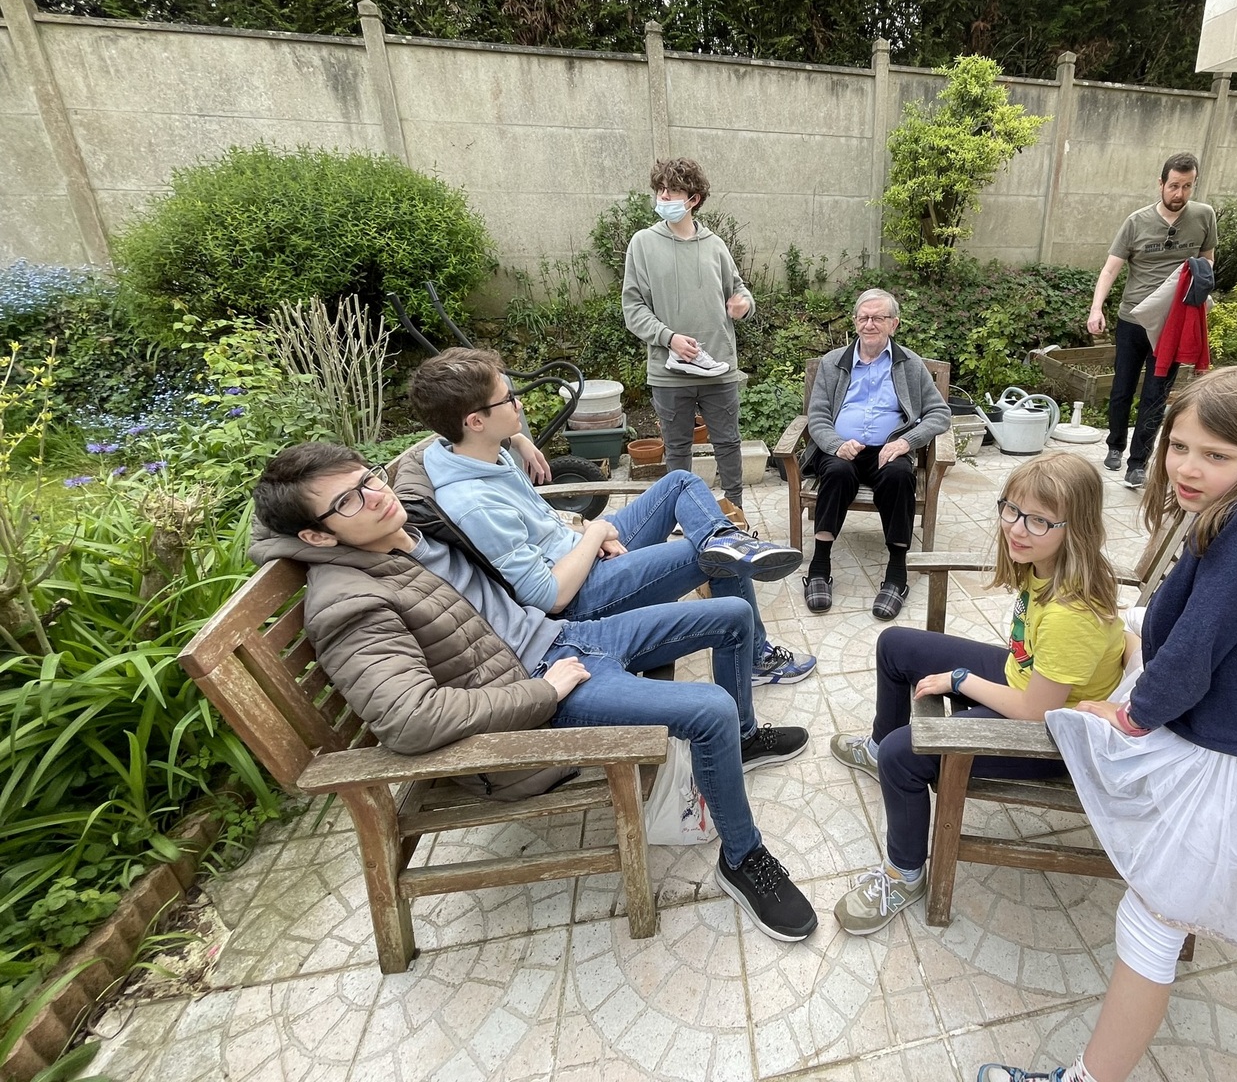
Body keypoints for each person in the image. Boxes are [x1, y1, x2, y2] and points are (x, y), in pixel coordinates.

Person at [249, 442, 819, 942]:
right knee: (709, 708)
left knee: (733, 615)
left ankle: (742, 740)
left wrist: (518, 437)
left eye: (370, 479)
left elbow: (443, 429)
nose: (374, 496)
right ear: (316, 535)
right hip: (536, 691)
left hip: (564, 636)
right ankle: (743, 858)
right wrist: (543, 692)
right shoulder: (348, 601)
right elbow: (411, 719)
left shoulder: (413, 521)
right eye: (348, 501)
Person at [1044, 365, 1237, 1082]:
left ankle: (1090, 1078)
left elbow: (1193, 653)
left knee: (1151, 917)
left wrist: (1130, 714)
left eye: (1216, 455)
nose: (1187, 468)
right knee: (1157, 908)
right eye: (1179, 446)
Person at [827, 453, 1126, 933]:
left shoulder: (1072, 613)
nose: (1017, 529)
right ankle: (877, 747)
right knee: (895, 645)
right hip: (1025, 681)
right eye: (1012, 509)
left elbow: (1035, 712)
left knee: (906, 755)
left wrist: (961, 680)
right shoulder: (1048, 563)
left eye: (1039, 521)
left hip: (1052, 737)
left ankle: (904, 875)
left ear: (1078, 528)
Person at [406, 348, 816, 685]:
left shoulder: (477, 451)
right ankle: (754, 655)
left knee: (679, 484)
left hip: (582, 552)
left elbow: (534, 510)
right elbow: (549, 597)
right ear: (476, 421)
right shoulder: (474, 503)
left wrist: (518, 441)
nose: (520, 402)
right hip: (579, 597)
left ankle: (723, 539)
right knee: (713, 557)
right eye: (509, 398)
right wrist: (595, 533)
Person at [801, 288, 952, 621]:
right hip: (842, 448)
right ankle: (819, 568)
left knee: (899, 475)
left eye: (878, 318)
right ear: (855, 321)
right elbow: (818, 415)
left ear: (893, 324)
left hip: (888, 450)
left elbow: (940, 414)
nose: (869, 324)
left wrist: (906, 442)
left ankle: (896, 575)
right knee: (837, 473)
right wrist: (836, 444)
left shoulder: (910, 364)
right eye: (863, 317)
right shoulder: (833, 363)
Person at [621, 157, 754, 512]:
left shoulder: (715, 245)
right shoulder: (642, 244)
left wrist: (743, 304)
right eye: (661, 189)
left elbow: (739, 290)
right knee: (677, 451)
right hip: (670, 371)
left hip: (719, 368)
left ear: (694, 199)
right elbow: (633, 308)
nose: (664, 197)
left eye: (673, 190)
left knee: (728, 444)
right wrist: (669, 338)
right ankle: (684, 516)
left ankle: (735, 516)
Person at [1086, 151, 1216, 489]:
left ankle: (1138, 463)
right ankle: (1115, 444)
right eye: (1174, 186)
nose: (1179, 193)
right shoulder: (1136, 222)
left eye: (1187, 186)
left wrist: (1197, 288)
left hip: (1173, 324)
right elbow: (1110, 269)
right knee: (1122, 388)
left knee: (1156, 395)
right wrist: (1096, 309)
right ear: (1160, 183)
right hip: (1133, 318)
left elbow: (1207, 263)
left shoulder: (1204, 216)